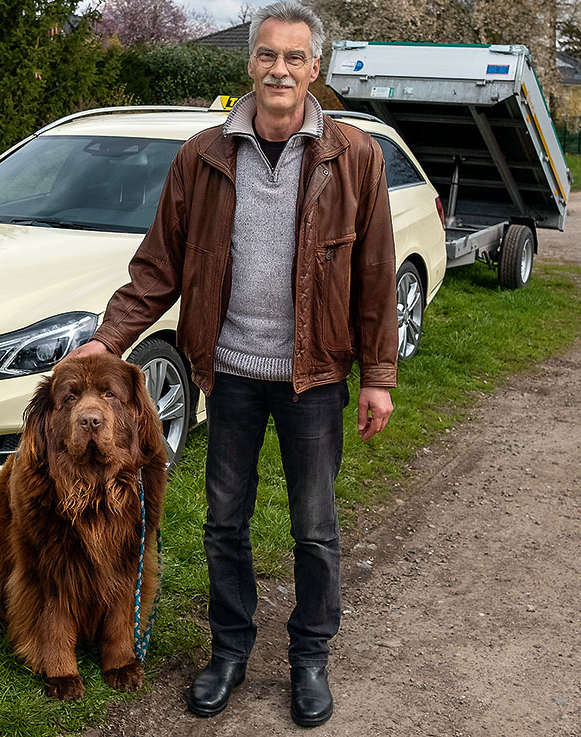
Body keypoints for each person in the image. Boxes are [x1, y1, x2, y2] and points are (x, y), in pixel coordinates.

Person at [68, 1, 397, 727]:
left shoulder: (354, 157)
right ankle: (230, 650)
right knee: (225, 522)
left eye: (294, 58)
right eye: (267, 55)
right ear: (250, 63)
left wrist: (378, 376)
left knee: (314, 526)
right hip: (233, 373)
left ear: (316, 69)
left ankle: (310, 658)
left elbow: (375, 275)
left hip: (314, 377)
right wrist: (109, 337)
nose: (280, 70)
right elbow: (160, 265)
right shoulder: (204, 155)